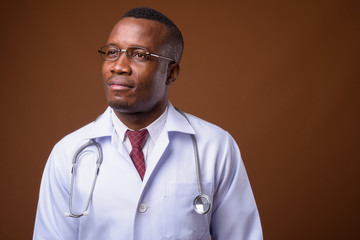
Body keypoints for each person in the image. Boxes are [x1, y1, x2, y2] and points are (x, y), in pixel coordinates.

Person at [33, 7, 263, 240]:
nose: (118, 66)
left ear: (171, 73)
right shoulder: (68, 153)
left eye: (139, 55)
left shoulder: (216, 147)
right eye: (112, 52)